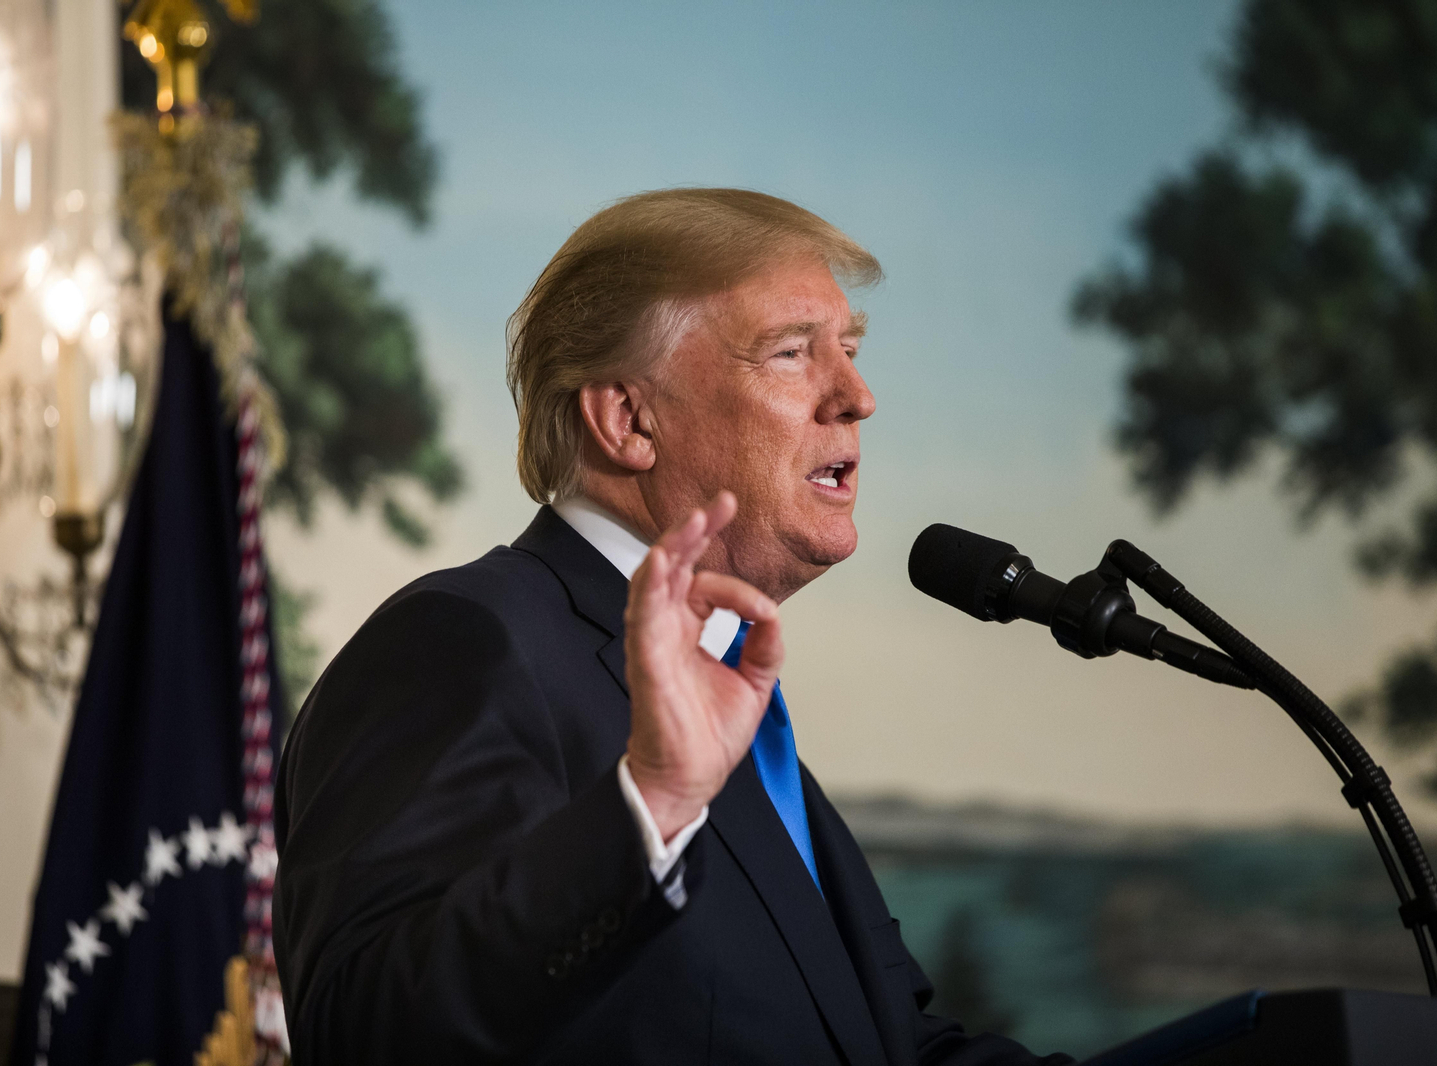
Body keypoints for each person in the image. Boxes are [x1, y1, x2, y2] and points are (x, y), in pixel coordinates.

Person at [273, 188, 1072, 1065]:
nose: (858, 396)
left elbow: (891, 1049)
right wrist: (649, 806)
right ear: (629, 420)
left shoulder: (736, 713)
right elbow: (366, 1035)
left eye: (848, 349)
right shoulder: (462, 641)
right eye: (791, 351)